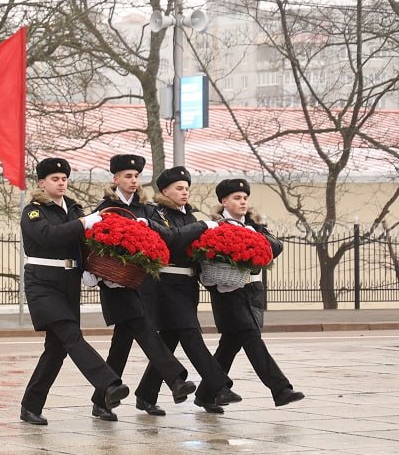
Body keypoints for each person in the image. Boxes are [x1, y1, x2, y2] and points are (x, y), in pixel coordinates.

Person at [19, 157, 129, 426]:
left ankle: (30, 405)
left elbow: (85, 242)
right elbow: (48, 236)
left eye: (64, 179)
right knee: (71, 335)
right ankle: (109, 383)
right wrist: (83, 223)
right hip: (42, 283)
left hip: (68, 282)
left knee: (56, 349)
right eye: (55, 179)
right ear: (42, 183)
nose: (61, 183)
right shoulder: (33, 211)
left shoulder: (73, 209)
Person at [85, 154, 196, 422]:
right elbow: (91, 242)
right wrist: (92, 273)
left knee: (122, 343)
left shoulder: (146, 209)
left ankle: (103, 399)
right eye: (127, 176)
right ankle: (176, 379)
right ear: (116, 179)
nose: (133, 181)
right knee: (145, 331)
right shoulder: (106, 208)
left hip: (138, 283)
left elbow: (157, 237)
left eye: (135, 177)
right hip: (114, 283)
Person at [136, 166, 242, 414]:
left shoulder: (189, 217)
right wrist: (204, 227)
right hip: (165, 286)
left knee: (171, 339)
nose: (185, 193)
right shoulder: (157, 212)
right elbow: (171, 238)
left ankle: (145, 395)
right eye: (179, 189)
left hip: (186, 286)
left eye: (186, 189)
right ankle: (219, 386)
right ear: (165, 191)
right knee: (191, 334)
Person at [207, 178, 305, 406]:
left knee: (229, 346)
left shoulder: (254, 226)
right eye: (236, 198)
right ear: (224, 201)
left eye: (244, 198)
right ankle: (280, 389)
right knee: (252, 339)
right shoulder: (216, 227)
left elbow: (276, 246)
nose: (242, 202)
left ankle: (206, 394)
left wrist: (256, 236)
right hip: (228, 292)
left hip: (252, 292)